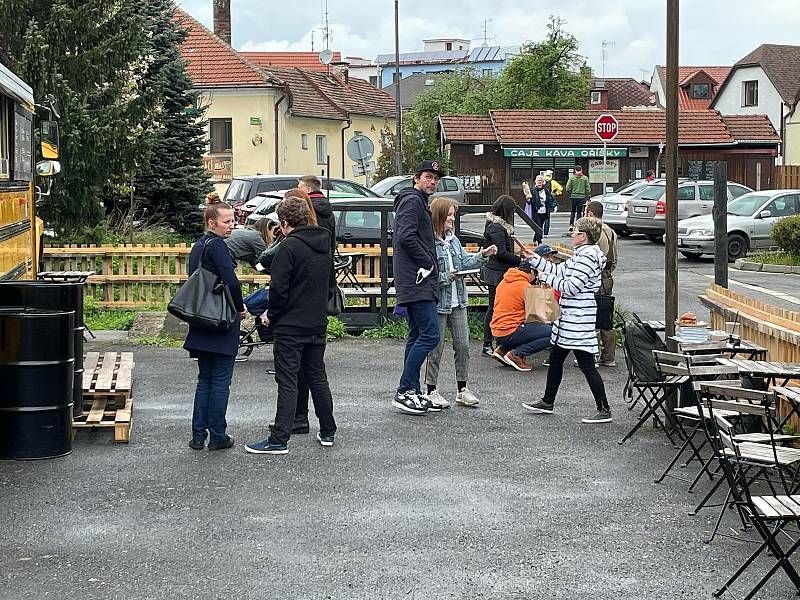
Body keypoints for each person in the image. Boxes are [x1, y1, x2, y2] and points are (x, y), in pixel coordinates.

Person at [245, 196, 337, 455]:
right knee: (317, 377)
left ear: (285, 223)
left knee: (288, 380)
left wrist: (270, 314)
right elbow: (330, 284)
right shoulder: (323, 245)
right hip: (316, 322)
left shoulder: (289, 248)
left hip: (290, 325)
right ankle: (328, 430)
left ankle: (279, 439)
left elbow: (279, 289)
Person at [521, 217, 612, 424]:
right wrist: (534, 258)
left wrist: (545, 277)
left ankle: (604, 409)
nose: (572, 234)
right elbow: (560, 270)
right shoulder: (582, 255)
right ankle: (548, 401)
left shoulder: (587, 258)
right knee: (556, 360)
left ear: (584, 236)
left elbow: (571, 287)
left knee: (586, 364)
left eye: (575, 231)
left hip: (578, 319)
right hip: (570, 319)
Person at [184, 195, 247, 451]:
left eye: (233, 221)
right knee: (220, 381)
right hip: (220, 320)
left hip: (200, 318)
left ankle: (198, 435)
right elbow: (230, 281)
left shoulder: (198, 246)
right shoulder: (219, 247)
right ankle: (218, 436)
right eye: (227, 221)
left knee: (205, 380)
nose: (231, 225)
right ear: (212, 223)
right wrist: (239, 306)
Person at [424, 197, 497, 408]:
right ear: (438, 216)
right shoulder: (429, 242)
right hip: (439, 302)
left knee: (463, 346)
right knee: (435, 347)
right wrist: (447, 276)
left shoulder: (453, 239)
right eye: (449, 215)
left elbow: (464, 261)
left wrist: (482, 255)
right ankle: (431, 390)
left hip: (459, 301)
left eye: (453, 215)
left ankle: (462, 388)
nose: (452, 219)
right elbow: (428, 275)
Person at [391, 160, 444, 415]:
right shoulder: (412, 201)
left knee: (416, 335)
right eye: (427, 177)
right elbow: (405, 236)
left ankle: (411, 390)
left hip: (415, 279)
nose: (432, 181)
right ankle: (404, 390)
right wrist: (428, 262)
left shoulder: (416, 201)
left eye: (435, 178)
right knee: (430, 335)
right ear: (416, 178)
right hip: (417, 280)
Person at [480, 195, 533, 357]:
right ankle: (488, 344)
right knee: (494, 307)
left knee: (497, 307)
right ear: (506, 211)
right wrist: (520, 259)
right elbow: (501, 253)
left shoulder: (498, 225)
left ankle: (497, 342)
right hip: (496, 271)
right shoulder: (496, 227)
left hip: (499, 270)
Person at [489, 248, 554, 372]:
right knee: (553, 333)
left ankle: (502, 350)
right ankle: (516, 355)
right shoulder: (525, 286)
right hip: (511, 330)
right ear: (532, 272)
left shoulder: (505, 281)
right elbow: (540, 315)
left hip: (498, 330)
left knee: (529, 327)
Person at [585, 201, 618, 368]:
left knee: (590, 315)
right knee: (605, 315)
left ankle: (591, 356)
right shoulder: (611, 232)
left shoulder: (594, 232)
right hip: (607, 277)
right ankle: (609, 356)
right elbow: (615, 259)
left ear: (590, 214)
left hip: (594, 277)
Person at [298, 175, 336, 256]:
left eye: (300, 188)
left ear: (308, 190)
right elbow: (332, 236)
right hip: (326, 254)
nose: (298, 191)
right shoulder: (328, 206)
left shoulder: (306, 208)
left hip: (309, 255)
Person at [528, 175, 557, 244]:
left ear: (543, 182)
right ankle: (539, 242)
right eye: (538, 180)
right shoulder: (532, 190)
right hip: (536, 212)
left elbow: (550, 200)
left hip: (545, 212)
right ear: (535, 181)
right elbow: (529, 201)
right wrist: (528, 199)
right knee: (538, 227)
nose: (539, 182)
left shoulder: (546, 191)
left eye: (541, 180)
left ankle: (534, 240)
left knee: (539, 227)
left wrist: (554, 206)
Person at [542, 170, 562, 237]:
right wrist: (556, 193)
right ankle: (545, 233)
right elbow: (560, 188)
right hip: (548, 200)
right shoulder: (553, 182)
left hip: (541, 201)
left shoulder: (542, 181)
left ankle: (539, 231)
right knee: (547, 218)